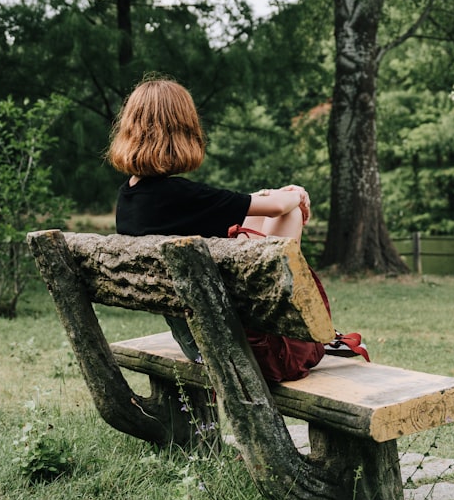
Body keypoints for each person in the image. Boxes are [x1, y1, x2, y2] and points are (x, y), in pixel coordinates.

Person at [107, 77, 365, 382]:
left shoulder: (129, 198)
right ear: (183, 132)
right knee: (291, 212)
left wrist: (271, 195)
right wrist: (297, 194)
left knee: (251, 222)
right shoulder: (182, 195)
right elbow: (275, 208)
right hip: (242, 350)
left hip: (194, 343)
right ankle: (286, 327)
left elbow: (242, 207)